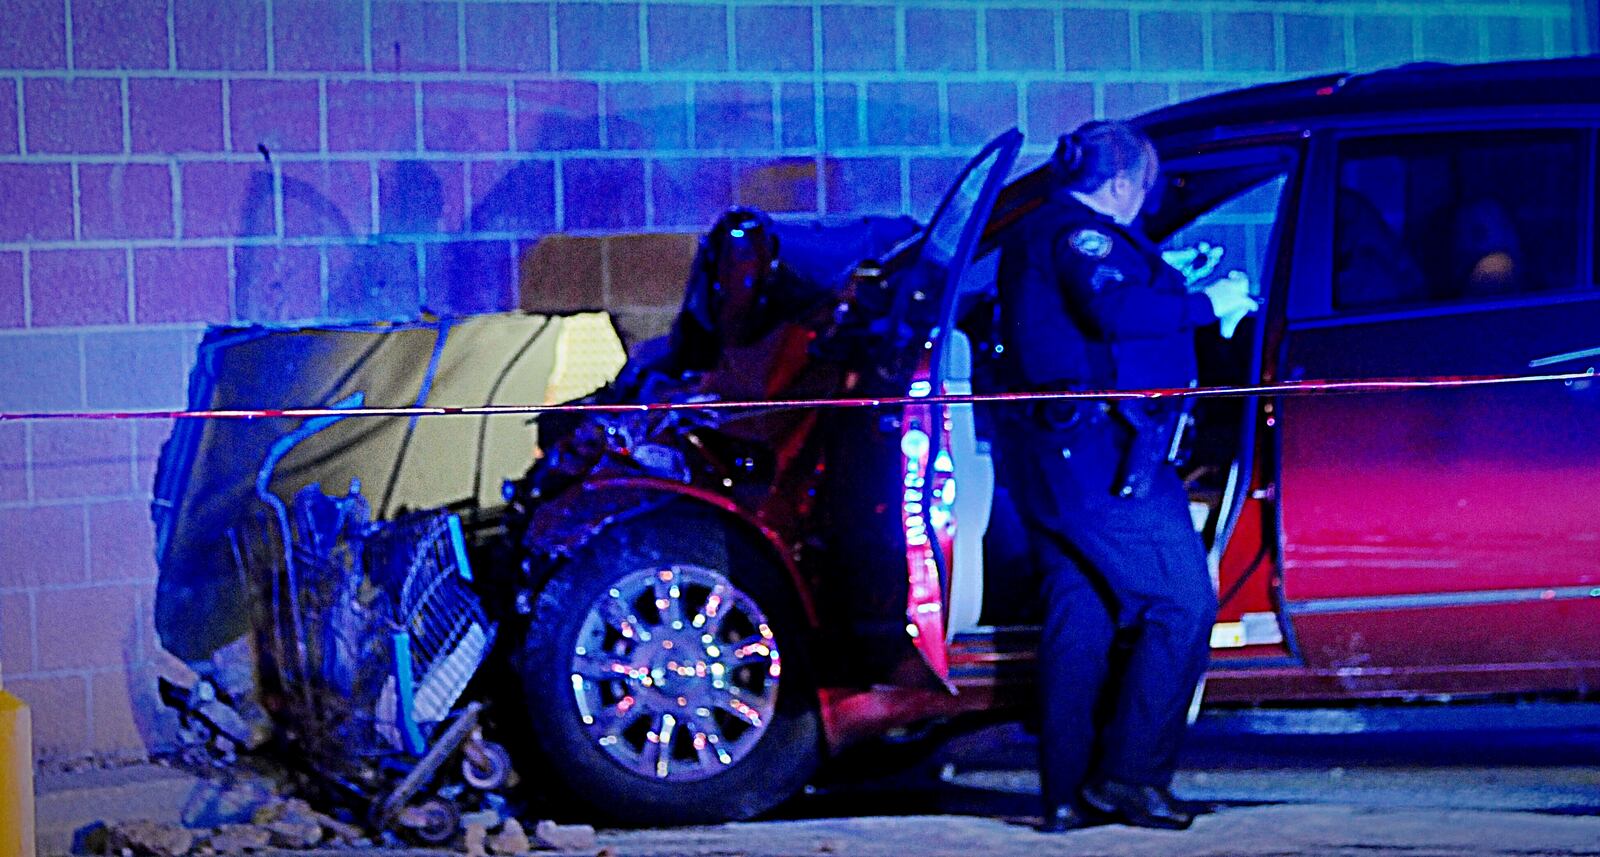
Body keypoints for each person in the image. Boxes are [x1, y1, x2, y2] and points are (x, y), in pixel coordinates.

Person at [996, 121, 1256, 833]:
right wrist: (1210, 305)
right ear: (1119, 184)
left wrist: (1180, 280)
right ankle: (1131, 779)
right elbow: (1112, 308)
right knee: (1182, 603)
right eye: (1144, 185)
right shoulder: (1081, 235)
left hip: (1060, 458)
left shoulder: (1043, 230)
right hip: (1105, 459)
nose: (1147, 198)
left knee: (1080, 614)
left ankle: (1065, 794)